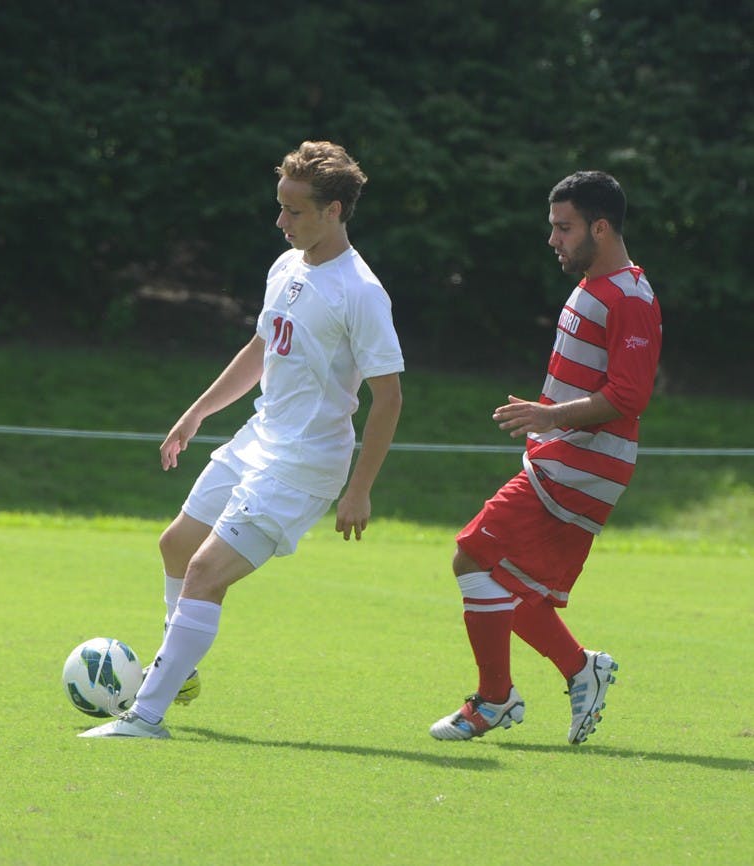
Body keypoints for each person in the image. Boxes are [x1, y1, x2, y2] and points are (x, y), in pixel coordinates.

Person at [80, 140, 405, 739]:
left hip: (305, 462)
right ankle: (180, 670)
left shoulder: (361, 292)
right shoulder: (285, 267)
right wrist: (199, 411)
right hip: (258, 439)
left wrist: (360, 490)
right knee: (176, 547)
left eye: (295, 211)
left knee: (205, 573)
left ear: (334, 211)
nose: (281, 222)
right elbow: (262, 348)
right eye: (280, 208)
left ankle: (147, 713)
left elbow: (389, 398)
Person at [430, 170, 661, 745]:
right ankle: (583, 670)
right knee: (517, 587)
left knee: (472, 556)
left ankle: (494, 699)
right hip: (565, 461)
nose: (553, 239)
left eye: (564, 227)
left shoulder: (628, 296)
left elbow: (630, 396)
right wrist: (549, 422)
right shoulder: (594, 284)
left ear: (600, 228)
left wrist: (550, 417)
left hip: (582, 466)